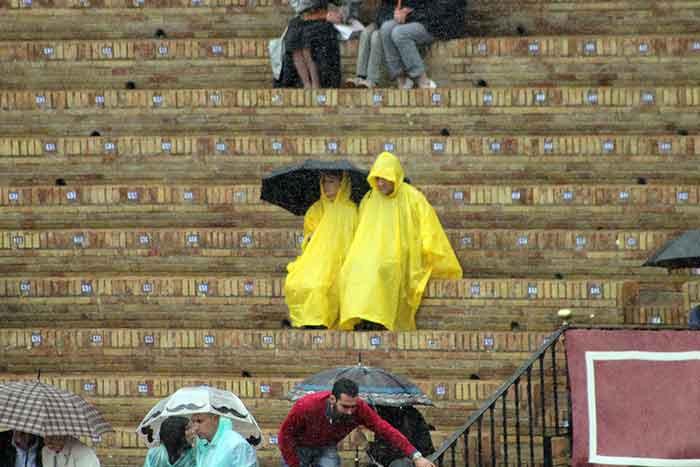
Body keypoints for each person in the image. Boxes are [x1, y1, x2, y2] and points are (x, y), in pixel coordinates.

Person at [337, 151, 462, 331]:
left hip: (400, 252)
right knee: (353, 268)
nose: (380, 184)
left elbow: (429, 227)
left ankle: (379, 320)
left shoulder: (413, 197)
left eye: (384, 179)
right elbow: (360, 230)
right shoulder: (369, 199)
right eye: (377, 179)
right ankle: (363, 317)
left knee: (382, 268)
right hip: (369, 252)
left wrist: (430, 252)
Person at [278, 378, 436, 467]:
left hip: (326, 447)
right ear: (332, 399)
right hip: (298, 447)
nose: (350, 411)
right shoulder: (307, 406)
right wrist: (293, 464)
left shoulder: (359, 408)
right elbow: (285, 435)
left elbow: (385, 430)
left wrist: (416, 456)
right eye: (345, 406)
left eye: (353, 406)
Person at [284, 171, 359, 329]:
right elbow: (307, 239)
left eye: (331, 181)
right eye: (324, 182)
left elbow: (355, 239)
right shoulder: (315, 210)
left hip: (340, 262)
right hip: (316, 261)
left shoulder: (351, 211)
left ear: (342, 184)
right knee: (296, 283)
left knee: (321, 285)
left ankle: (319, 321)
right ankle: (309, 320)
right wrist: (310, 239)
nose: (326, 186)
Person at [380, 0, 466, 89]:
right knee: (386, 28)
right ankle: (401, 80)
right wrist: (400, 12)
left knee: (399, 33)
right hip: (420, 20)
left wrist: (409, 14)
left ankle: (421, 79)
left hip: (440, 26)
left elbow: (438, 11)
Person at [345, 0, 394, 88]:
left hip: (393, 22)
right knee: (365, 32)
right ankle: (360, 76)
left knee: (376, 36)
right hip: (382, 19)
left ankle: (372, 79)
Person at [365, 406, 435, 467]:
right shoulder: (411, 411)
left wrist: (368, 445)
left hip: (410, 456)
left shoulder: (410, 414)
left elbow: (390, 447)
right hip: (410, 455)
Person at [190, 413, 258, 467]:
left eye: (199, 421)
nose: (195, 428)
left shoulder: (237, 445)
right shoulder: (201, 443)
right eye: (193, 422)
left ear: (215, 418)